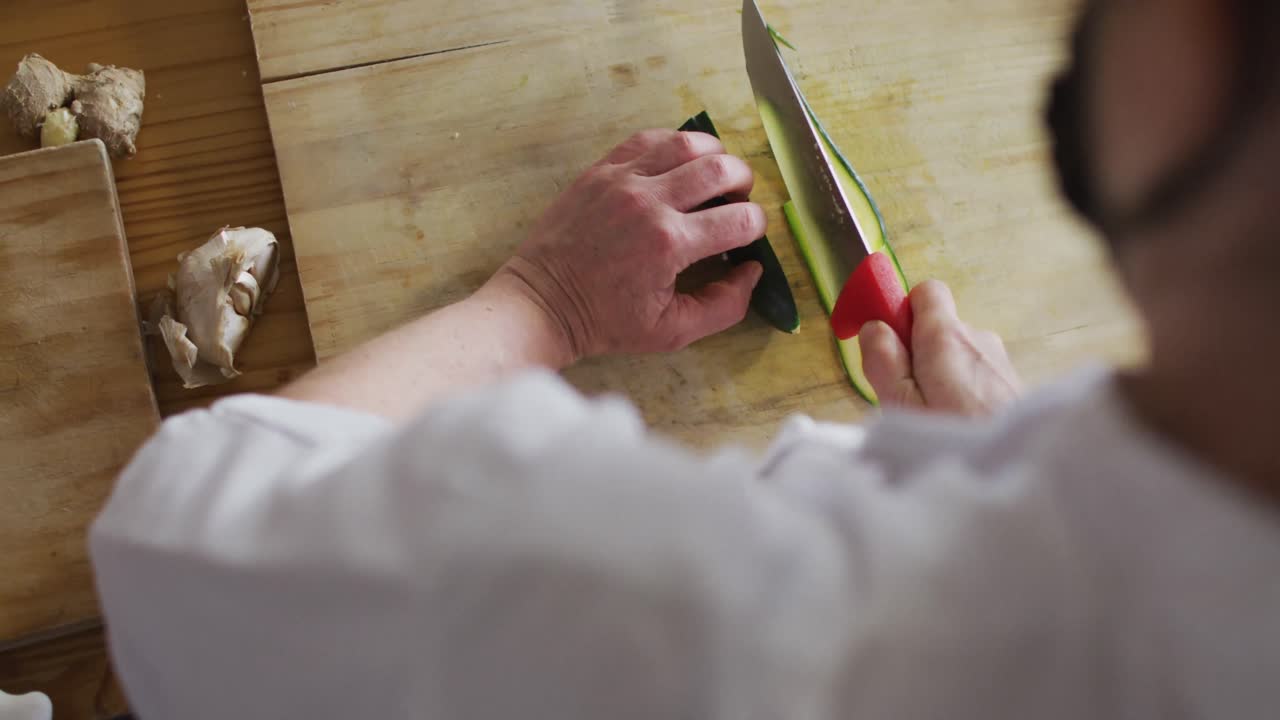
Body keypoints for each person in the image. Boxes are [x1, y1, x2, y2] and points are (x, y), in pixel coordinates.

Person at [90, 0, 1279, 717]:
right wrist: (999, 469)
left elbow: (176, 539)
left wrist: (538, 303)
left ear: (1201, 40)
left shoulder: (726, 628)